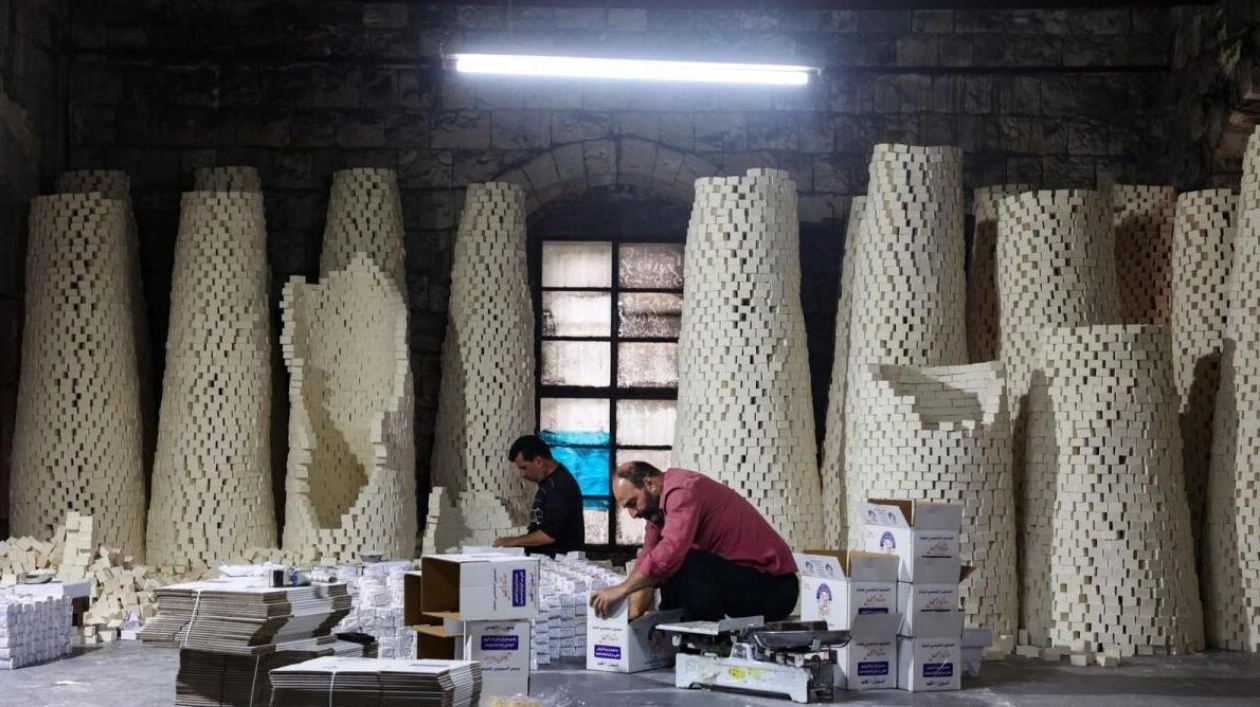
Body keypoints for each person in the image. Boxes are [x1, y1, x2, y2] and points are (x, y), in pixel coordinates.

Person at [589, 462, 799, 623]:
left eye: (633, 504)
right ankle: (669, 633)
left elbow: (670, 553)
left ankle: (703, 640)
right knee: (666, 566)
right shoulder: (657, 513)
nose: (633, 514)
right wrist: (631, 616)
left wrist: (621, 589)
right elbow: (648, 557)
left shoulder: (683, 492)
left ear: (650, 484)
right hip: (741, 582)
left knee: (684, 560)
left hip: (775, 589)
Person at [492, 435, 585, 557]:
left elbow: (548, 535)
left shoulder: (559, 486)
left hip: (559, 563)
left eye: (524, 468)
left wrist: (513, 541)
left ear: (539, 462)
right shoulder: (548, 483)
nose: (522, 474)